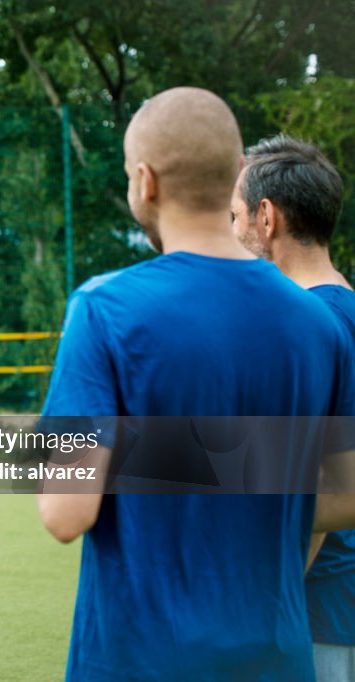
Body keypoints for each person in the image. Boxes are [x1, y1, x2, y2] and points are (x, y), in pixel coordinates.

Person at [37, 88, 355, 680]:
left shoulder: (105, 307)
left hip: (139, 660)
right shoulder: (319, 324)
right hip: (277, 658)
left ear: (144, 181)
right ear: (236, 173)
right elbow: (344, 496)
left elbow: (64, 511)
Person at [232, 134, 355, 680]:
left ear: (265, 217)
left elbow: (322, 489)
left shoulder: (304, 327)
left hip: (314, 604)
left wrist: (265, 605)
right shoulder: (343, 306)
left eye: (235, 215)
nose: (232, 231)